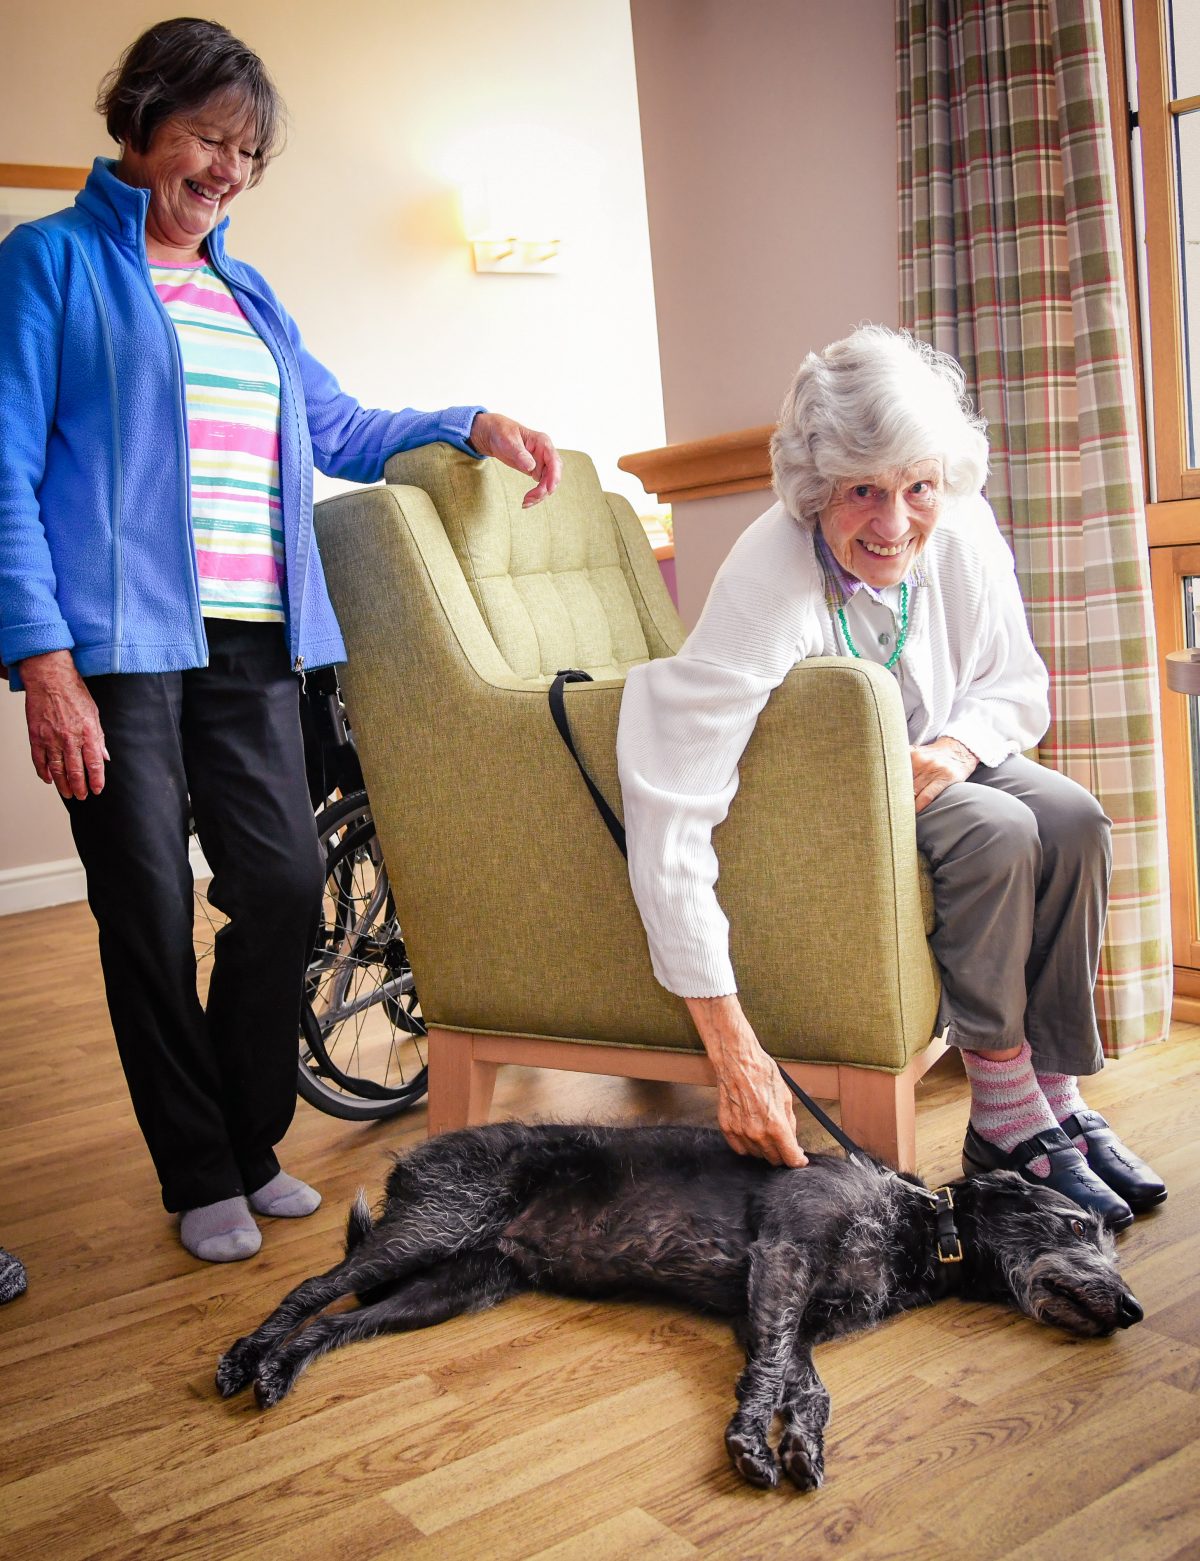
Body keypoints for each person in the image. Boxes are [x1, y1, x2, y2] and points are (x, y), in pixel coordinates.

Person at [0, 18, 562, 1264]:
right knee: (145, 907)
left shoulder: (248, 292)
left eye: (247, 152)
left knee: (284, 889)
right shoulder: (48, 264)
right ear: (141, 127)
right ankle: (198, 1165)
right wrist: (44, 662)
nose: (225, 169)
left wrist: (471, 416)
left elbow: (342, 427)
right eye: (206, 137)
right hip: (117, 645)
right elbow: (2, 467)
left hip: (256, 641)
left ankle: (251, 1140)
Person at [616, 325, 1165, 1230]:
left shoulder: (960, 521)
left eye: (916, 486)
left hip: (938, 762)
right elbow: (669, 808)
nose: (895, 520)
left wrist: (954, 751)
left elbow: (1017, 683)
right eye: (862, 491)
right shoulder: (769, 577)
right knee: (1000, 830)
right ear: (813, 487)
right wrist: (733, 1051)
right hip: (822, 809)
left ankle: (1054, 1099)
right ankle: (1003, 1114)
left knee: (1072, 816)